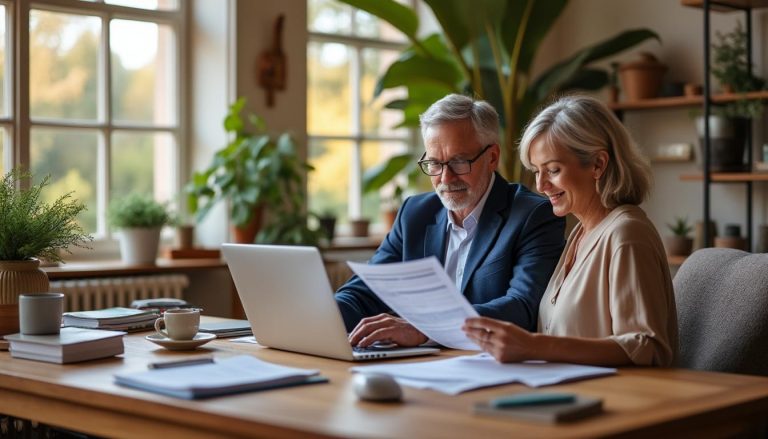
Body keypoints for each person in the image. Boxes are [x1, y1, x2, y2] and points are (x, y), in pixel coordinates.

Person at [335, 93, 566, 348]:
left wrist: (425, 329)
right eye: (434, 163)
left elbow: (522, 307)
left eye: (458, 161)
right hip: (416, 366)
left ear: (492, 157)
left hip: (489, 368)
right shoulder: (414, 214)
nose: (445, 178)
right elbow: (364, 292)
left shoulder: (533, 215)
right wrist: (321, 316)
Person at [463, 95, 677, 367]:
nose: (541, 185)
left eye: (553, 170)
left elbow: (647, 347)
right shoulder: (580, 233)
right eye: (536, 171)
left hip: (616, 402)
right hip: (565, 391)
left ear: (598, 164)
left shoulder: (627, 235)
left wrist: (535, 346)